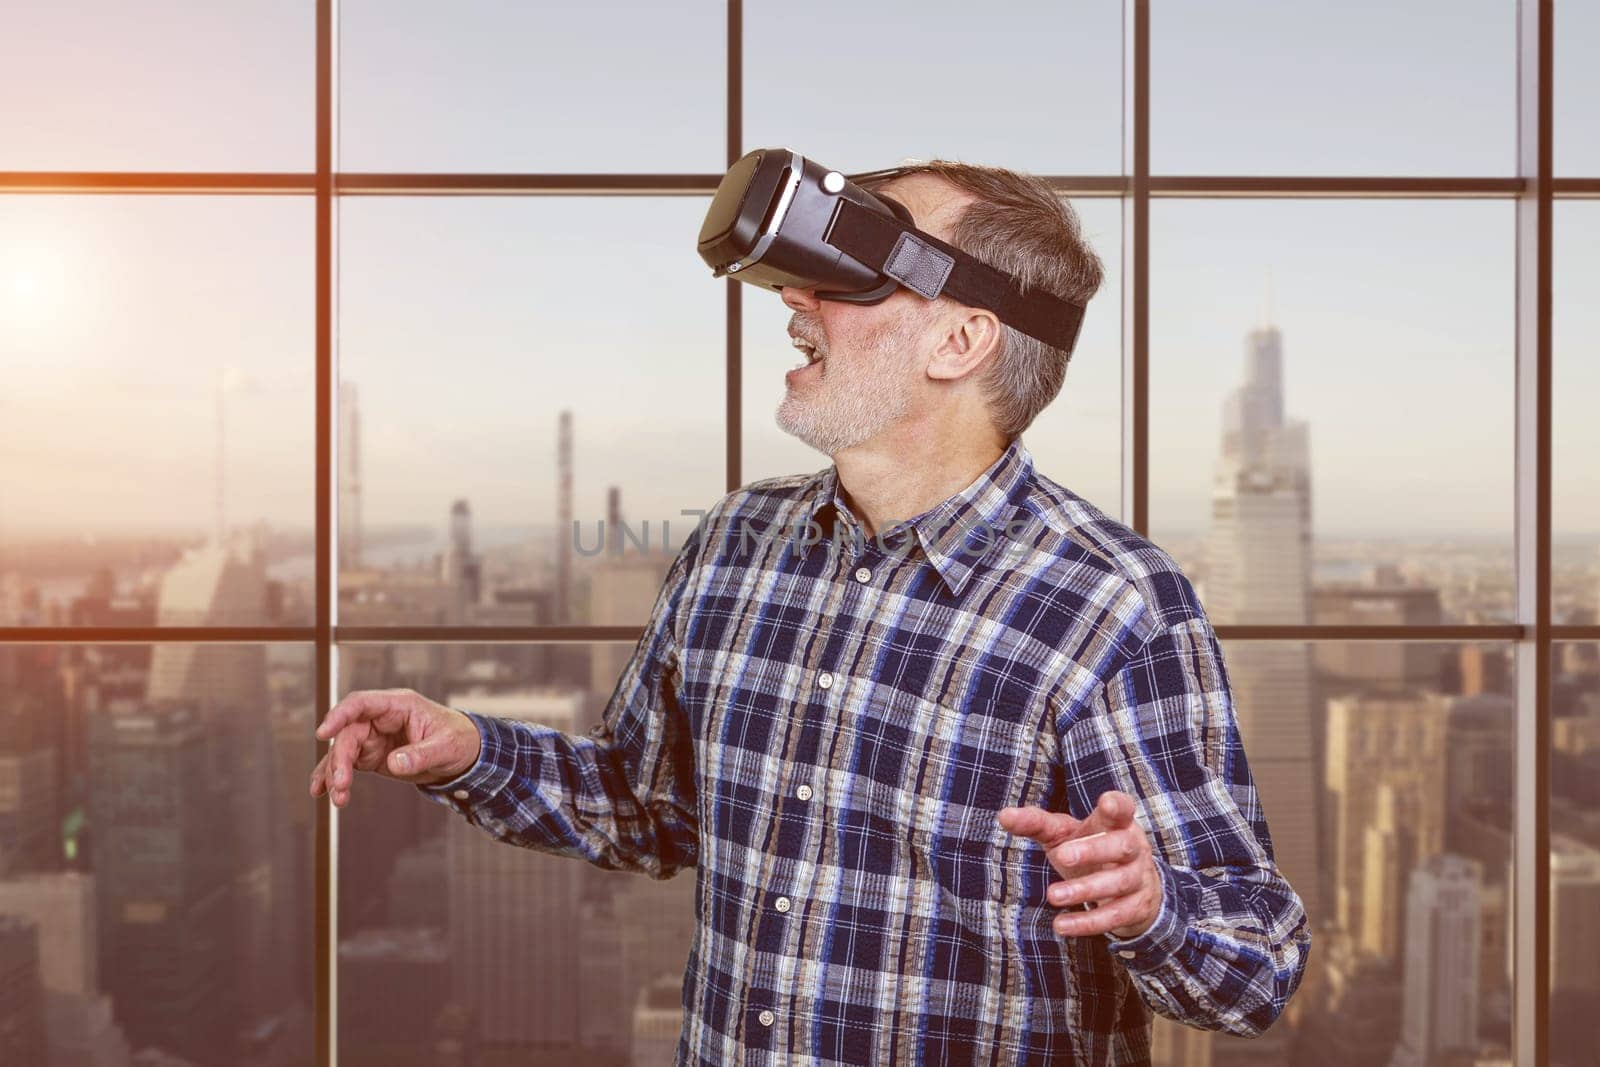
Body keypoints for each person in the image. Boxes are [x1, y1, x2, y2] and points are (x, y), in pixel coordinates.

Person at [311, 159, 1311, 1065]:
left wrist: (1152, 904)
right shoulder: (735, 542)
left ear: (962, 339)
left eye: (857, 273)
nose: (794, 297)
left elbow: (1257, 969)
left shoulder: (1112, 605)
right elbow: (649, 806)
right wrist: (468, 752)